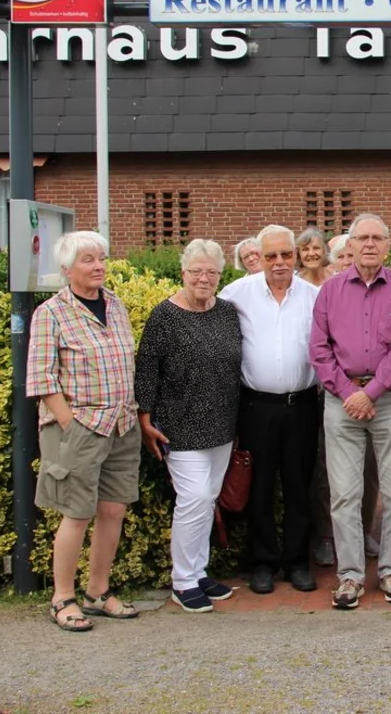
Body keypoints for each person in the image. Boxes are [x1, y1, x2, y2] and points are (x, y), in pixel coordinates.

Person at [26, 231, 140, 632]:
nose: (98, 266)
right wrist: (70, 424)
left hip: (122, 425)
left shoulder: (115, 304)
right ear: (67, 269)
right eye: (88, 259)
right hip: (80, 428)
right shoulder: (51, 313)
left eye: (102, 258)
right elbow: (41, 380)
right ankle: (63, 598)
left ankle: (98, 592)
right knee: (76, 514)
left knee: (113, 510)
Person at [309, 213, 391, 610]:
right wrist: (347, 392)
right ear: (349, 246)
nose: (370, 244)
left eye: (377, 238)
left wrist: (371, 392)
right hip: (341, 400)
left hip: (388, 398)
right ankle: (351, 576)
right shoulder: (329, 291)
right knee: (344, 494)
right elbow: (319, 350)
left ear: (388, 245)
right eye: (362, 238)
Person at [136, 239, 243, 613]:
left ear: (219, 275)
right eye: (196, 271)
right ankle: (182, 581)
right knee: (194, 498)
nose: (203, 278)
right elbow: (147, 368)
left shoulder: (227, 312)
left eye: (211, 272)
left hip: (222, 421)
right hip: (180, 425)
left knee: (207, 499)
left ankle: (198, 572)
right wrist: (144, 416)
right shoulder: (164, 315)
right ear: (183, 273)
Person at [217, 225, 321, 594]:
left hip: (303, 406)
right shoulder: (234, 295)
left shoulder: (315, 295)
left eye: (285, 255)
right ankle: (261, 563)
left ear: (295, 255)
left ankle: (296, 562)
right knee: (259, 488)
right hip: (256, 407)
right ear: (258, 257)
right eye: (271, 255)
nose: (279, 262)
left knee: (298, 486)